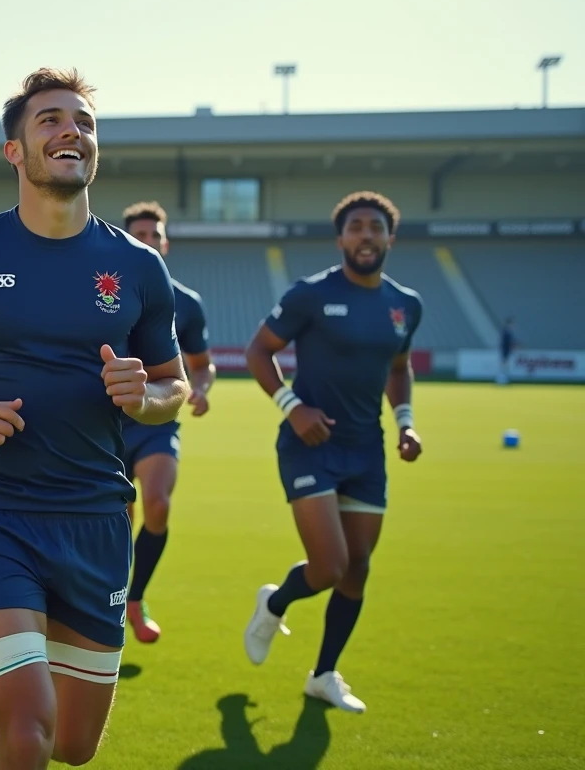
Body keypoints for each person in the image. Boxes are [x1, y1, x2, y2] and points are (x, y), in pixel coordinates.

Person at [0, 68, 189, 770]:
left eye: (82, 121)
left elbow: (176, 388)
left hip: (97, 520)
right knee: (32, 734)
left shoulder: (138, 267)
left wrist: (147, 396)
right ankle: (1, 731)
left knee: (73, 748)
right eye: (49, 119)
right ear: (14, 151)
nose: (70, 130)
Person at [242, 190, 424, 714]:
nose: (366, 235)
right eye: (356, 227)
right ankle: (274, 604)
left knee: (358, 570)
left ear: (390, 238)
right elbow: (259, 351)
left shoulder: (405, 304)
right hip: (309, 444)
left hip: (367, 451)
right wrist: (292, 406)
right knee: (330, 565)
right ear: (341, 237)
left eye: (376, 227)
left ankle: (323, 675)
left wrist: (406, 423)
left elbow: (398, 367)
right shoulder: (310, 294)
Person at [118, 201, 216, 644]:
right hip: (108, 424)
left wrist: (201, 387)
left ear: (165, 242)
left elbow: (202, 364)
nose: (147, 241)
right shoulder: (103, 292)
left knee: (156, 504)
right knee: (117, 517)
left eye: (154, 235)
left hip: (157, 418)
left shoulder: (187, 304)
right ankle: (111, 598)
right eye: (138, 234)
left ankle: (135, 598)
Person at [497, 316, 516, 385]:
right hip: (505, 352)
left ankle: (504, 380)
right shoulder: (505, 332)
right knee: (503, 367)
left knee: (505, 367)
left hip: (506, 352)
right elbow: (505, 343)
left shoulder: (508, 332)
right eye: (511, 324)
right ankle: (501, 380)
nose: (512, 325)